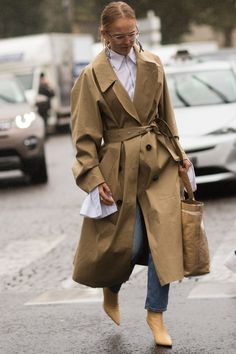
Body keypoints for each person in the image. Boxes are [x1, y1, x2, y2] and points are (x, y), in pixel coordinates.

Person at [71, 1, 191, 348]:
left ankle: (156, 313)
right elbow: (84, 136)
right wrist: (93, 178)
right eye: (119, 36)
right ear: (105, 34)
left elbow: (167, 116)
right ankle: (112, 286)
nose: (126, 41)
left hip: (159, 164)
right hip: (118, 167)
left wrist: (181, 156)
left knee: (163, 244)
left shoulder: (153, 64)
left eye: (132, 34)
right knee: (131, 242)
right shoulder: (92, 76)